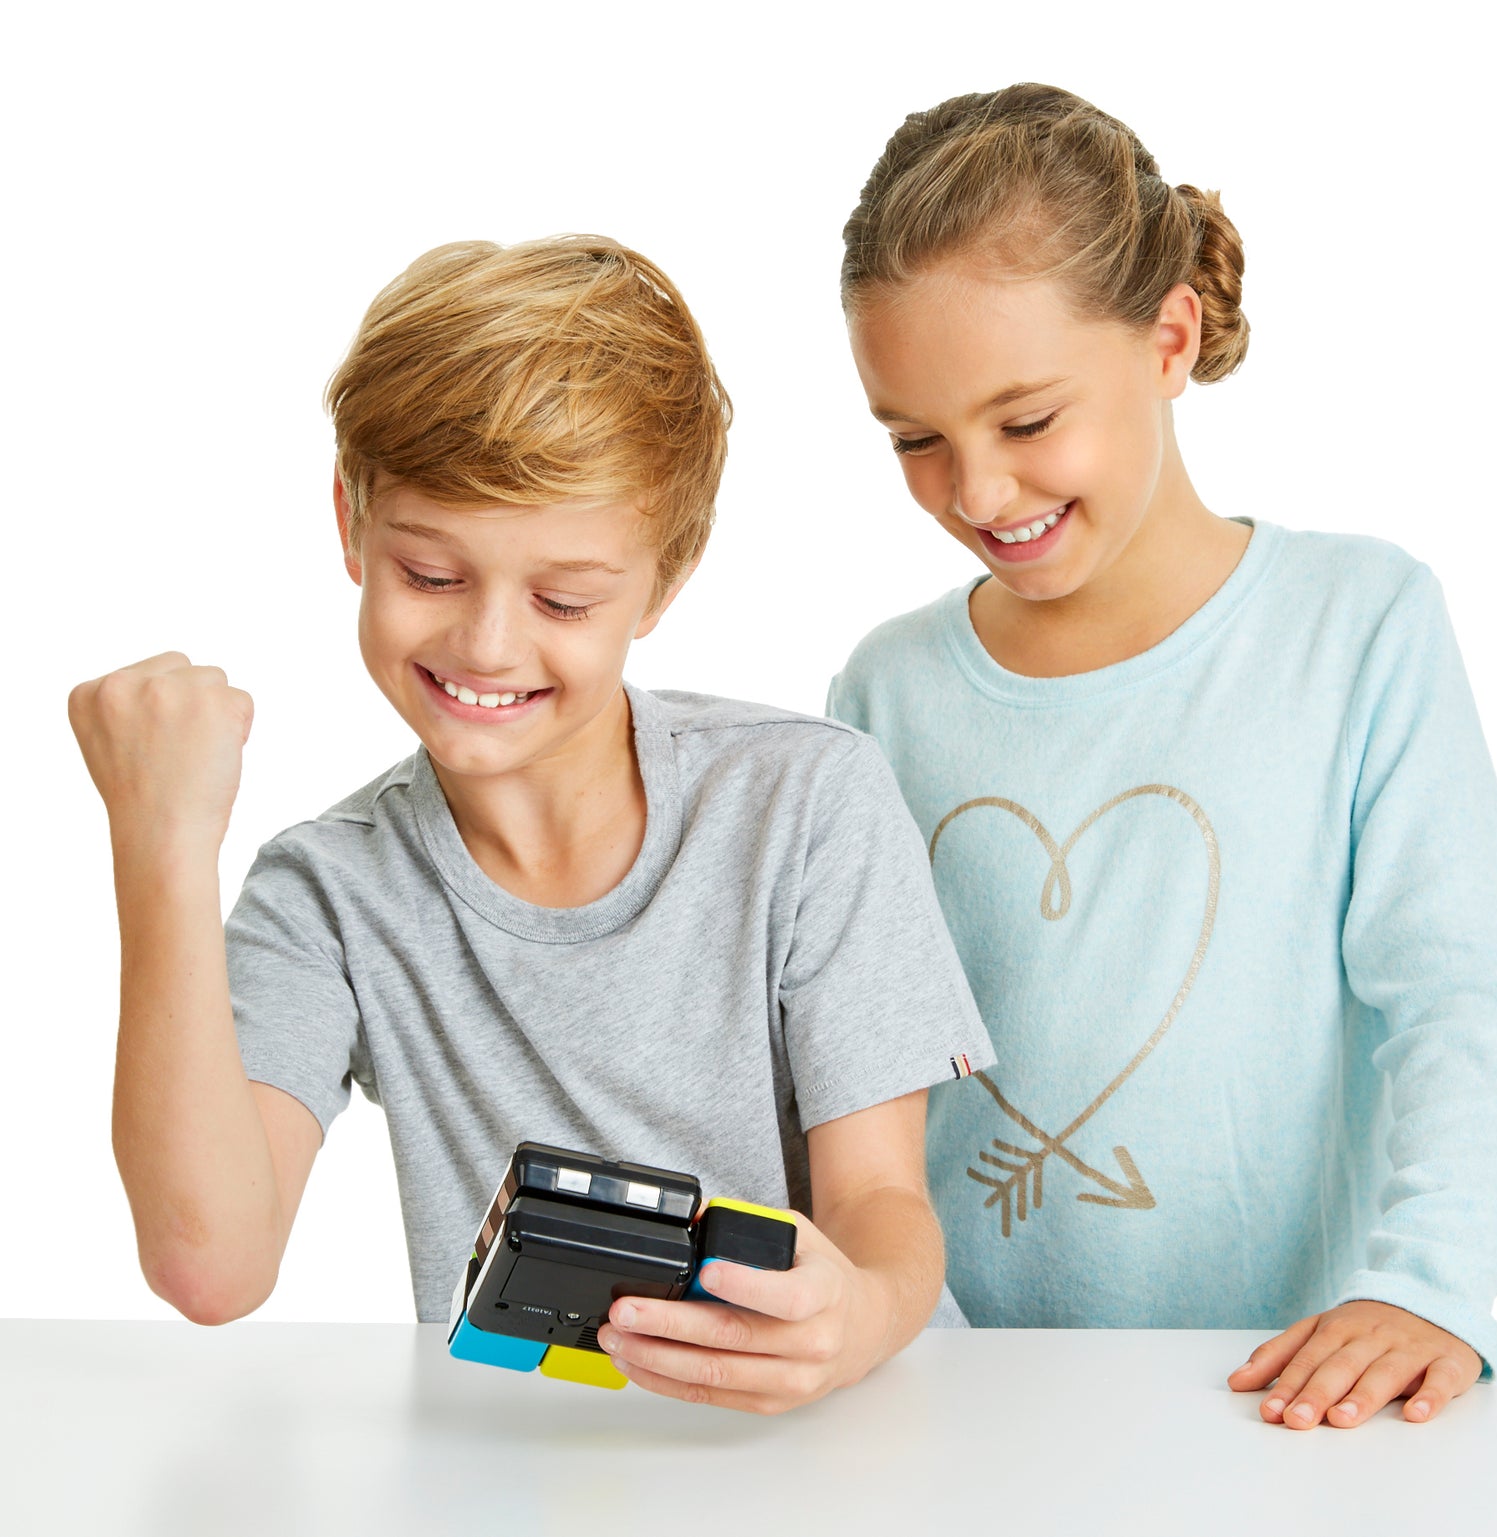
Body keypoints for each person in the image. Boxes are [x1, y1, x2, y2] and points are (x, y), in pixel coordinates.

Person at [68, 235, 993, 1415]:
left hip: (842, 1442)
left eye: (561, 599)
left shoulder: (804, 801)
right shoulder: (328, 894)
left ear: (664, 578)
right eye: (430, 573)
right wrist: (160, 845)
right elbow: (210, 1263)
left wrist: (850, 1315)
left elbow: (885, 1209)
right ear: (351, 524)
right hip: (521, 1463)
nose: (488, 646)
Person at [826, 84, 1497, 1431]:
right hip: (952, 1407)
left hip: (1282, 1404)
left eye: (1027, 421)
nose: (977, 493)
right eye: (916, 441)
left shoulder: (1357, 625)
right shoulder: (886, 688)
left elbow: (1464, 999)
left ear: (1168, 336)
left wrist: (1429, 1285)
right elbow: (839, 1066)